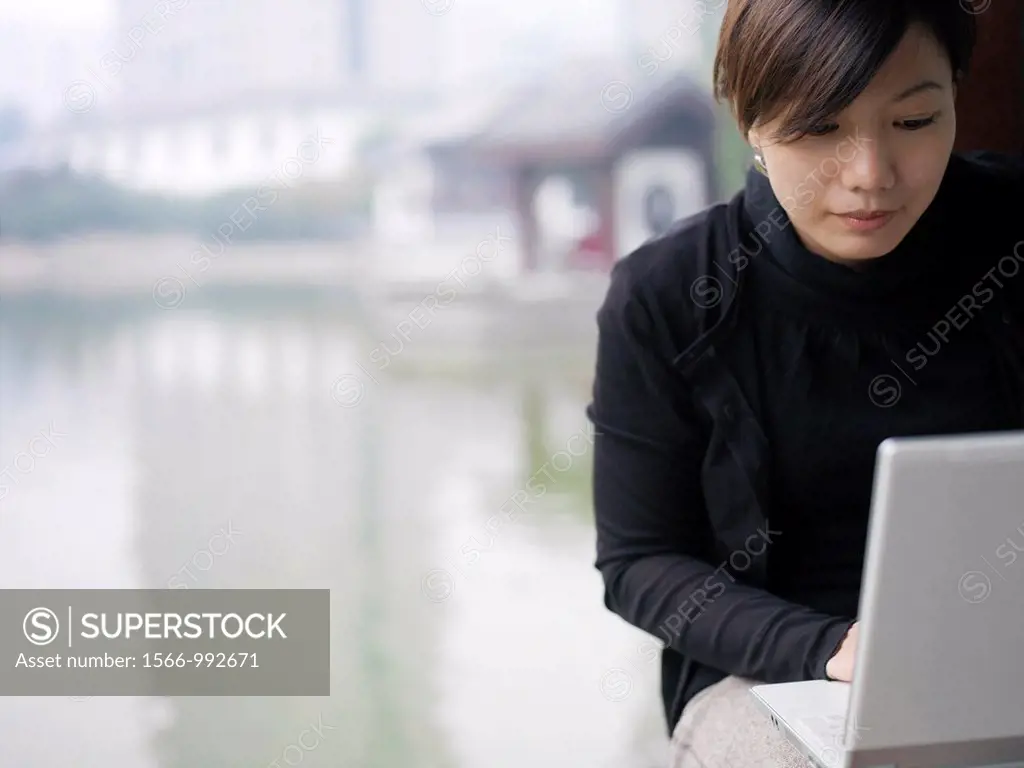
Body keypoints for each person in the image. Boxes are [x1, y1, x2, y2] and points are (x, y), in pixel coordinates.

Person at [585, 1, 1024, 766]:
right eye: (820, 129)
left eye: (915, 123)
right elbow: (640, 563)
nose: (871, 176)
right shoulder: (670, 294)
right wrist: (831, 648)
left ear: (955, 92)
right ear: (750, 121)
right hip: (768, 677)